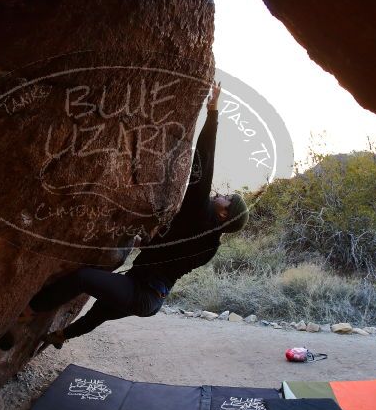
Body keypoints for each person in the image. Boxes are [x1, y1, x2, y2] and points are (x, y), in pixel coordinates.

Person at [26, 81, 249, 348]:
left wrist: (213, 113)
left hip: (141, 292)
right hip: (151, 297)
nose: (218, 194)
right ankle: (61, 337)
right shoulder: (210, 245)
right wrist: (148, 243)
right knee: (100, 312)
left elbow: (204, 160)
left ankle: (30, 309)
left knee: (83, 278)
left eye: (225, 198)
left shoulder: (201, 217)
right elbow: (170, 256)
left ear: (225, 214)